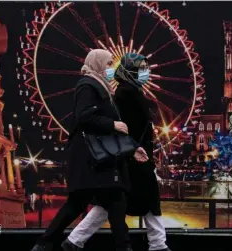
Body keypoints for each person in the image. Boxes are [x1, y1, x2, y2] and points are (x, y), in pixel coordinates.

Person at [31, 49, 148, 251]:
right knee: (81, 203)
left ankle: (49, 244)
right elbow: (84, 117)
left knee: (113, 204)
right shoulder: (87, 85)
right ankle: (46, 244)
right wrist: (113, 124)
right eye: (109, 63)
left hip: (101, 161)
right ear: (97, 63)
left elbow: (107, 131)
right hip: (91, 161)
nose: (112, 67)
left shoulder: (103, 88)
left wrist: (132, 149)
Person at [62, 53, 171, 251]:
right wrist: (133, 149)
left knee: (112, 202)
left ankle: (74, 241)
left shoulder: (128, 92)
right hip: (132, 156)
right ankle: (158, 244)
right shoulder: (125, 94)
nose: (146, 72)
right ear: (130, 70)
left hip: (132, 155)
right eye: (142, 68)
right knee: (137, 199)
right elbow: (122, 126)